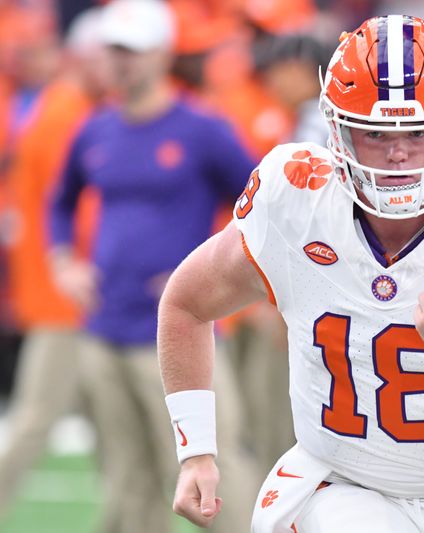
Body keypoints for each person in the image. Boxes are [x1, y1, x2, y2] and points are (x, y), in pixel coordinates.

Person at [158, 15, 424, 532]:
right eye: (375, 133)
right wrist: (196, 449)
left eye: (420, 131)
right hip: (338, 484)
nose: (398, 152)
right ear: (337, 130)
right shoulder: (295, 199)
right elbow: (185, 303)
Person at [48, 1, 259, 532]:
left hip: (180, 334)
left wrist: (211, 275)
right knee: (126, 478)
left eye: (132, 50)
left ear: (162, 54)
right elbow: (60, 201)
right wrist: (63, 262)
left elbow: (261, 204)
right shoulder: (95, 128)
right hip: (105, 327)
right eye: (113, 49)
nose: (120, 62)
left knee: (219, 470)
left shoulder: (201, 128)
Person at [0, 7, 107, 519]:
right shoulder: (68, 111)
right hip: (69, 295)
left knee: (111, 423)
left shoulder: (59, 107)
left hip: (66, 292)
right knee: (40, 417)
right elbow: (76, 208)